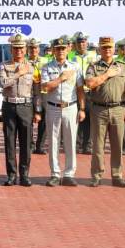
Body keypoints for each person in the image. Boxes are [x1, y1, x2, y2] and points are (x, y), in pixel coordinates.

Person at [84, 36, 125, 188]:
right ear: (99, 49)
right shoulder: (93, 67)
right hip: (99, 109)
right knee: (97, 146)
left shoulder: (122, 67)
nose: (107, 50)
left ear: (114, 49)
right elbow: (90, 84)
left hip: (118, 109)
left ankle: (117, 176)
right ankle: (96, 176)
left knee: (117, 145)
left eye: (110, 47)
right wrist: (107, 74)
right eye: (104, 47)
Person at [42, 36, 85, 187]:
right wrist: (60, 78)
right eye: (58, 49)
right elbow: (45, 87)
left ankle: (68, 174)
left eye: (63, 48)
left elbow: (80, 89)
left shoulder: (75, 67)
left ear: (68, 49)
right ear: (53, 51)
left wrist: (82, 108)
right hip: (53, 107)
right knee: (53, 142)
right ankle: (55, 174)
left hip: (70, 107)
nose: (60, 51)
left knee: (70, 141)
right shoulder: (47, 67)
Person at [0, 33, 42, 187]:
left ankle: (24, 175)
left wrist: (38, 111)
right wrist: (18, 74)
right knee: (9, 142)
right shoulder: (4, 65)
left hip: (26, 106)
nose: (18, 51)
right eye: (15, 48)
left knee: (26, 142)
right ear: (11, 49)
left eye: (21, 48)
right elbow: (3, 83)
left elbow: (37, 91)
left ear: (25, 49)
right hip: (9, 106)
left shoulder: (32, 67)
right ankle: (11, 175)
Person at [68, 32, 97, 154]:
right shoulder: (70, 55)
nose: (81, 44)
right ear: (75, 44)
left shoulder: (94, 55)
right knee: (76, 118)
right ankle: (77, 144)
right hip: (74, 91)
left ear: (87, 43)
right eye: (79, 42)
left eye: (83, 42)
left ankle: (88, 145)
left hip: (90, 92)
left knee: (90, 119)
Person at [27, 37, 50, 154]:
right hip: (28, 94)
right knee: (28, 120)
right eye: (31, 48)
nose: (33, 50)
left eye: (35, 47)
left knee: (44, 120)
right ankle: (30, 145)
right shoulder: (24, 61)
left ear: (39, 49)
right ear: (27, 49)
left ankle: (40, 146)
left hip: (43, 94)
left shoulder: (46, 61)